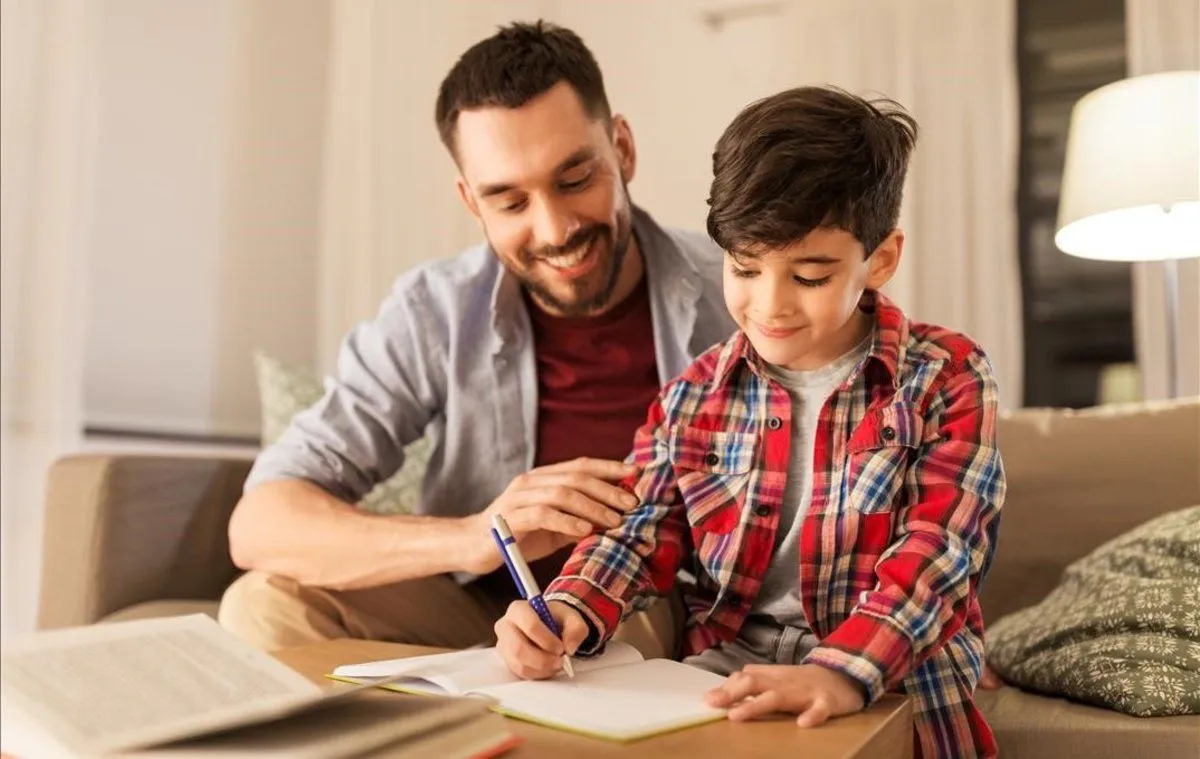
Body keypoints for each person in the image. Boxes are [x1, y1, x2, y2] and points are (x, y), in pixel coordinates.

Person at [494, 86, 1006, 758]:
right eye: (744, 267)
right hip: (724, 679)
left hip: (892, 677)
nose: (770, 305)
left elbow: (939, 552)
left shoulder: (948, 375)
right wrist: (567, 609)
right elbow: (640, 533)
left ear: (879, 259)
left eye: (810, 276)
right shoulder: (694, 395)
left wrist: (840, 671)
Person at [217, 21, 734, 655]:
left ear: (622, 149)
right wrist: (478, 536)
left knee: (635, 627)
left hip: (650, 610)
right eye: (510, 202)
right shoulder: (434, 311)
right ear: (471, 201)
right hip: (480, 614)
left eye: (574, 180)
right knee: (263, 605)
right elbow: (262, 523)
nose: (554, 229)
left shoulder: (743, 292)